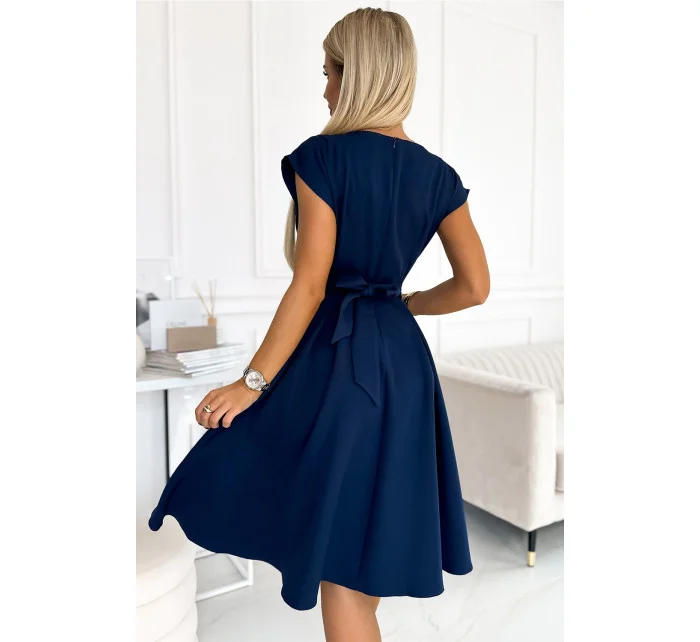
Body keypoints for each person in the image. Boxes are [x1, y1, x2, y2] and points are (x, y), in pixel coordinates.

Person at [149, 7, 489, 642]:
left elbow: (310, 282)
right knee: (365, 556)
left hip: (338, 362)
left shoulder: (323, 158)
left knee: (340, 567)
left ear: (356, 74)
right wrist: (406, 305)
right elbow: (475, 287)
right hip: (404, 369)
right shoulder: (439, 176)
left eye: (330, 72)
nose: (325, 88)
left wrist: (250, 384)